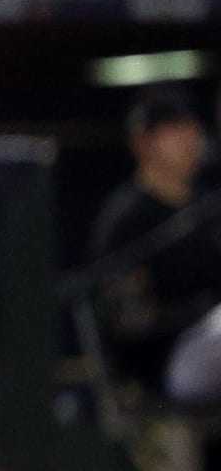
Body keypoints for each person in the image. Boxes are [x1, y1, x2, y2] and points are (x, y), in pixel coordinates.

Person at [87, 90, 221, 416]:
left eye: (191, 128)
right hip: (161, 369)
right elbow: (129, 324)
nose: (190, 139)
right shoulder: (127, 220)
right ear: (142, 143)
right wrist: (199, 314)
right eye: (173, 130)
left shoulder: (209, 208)